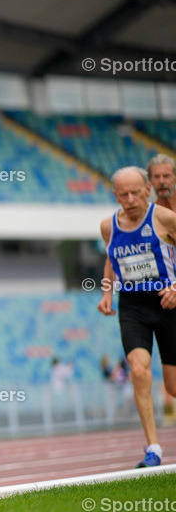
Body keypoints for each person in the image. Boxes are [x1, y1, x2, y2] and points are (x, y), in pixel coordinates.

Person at [96, 166, 176, 467]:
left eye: (134, 192)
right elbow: (111, 258)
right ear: (115, 196)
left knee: (172, 387)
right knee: (139, 370)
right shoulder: (108, 226)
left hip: (168, 303)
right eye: (122, 194)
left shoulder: (164, 219)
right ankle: (153, 448)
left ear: (147, 190)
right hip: (132, 306)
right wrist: (106, 292)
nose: (129, 199)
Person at [147, 154, 176, 421]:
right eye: (156, 176)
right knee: (172, 386)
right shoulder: (152, 217)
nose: (162, 181)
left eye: (167, 175)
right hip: (167, 300)